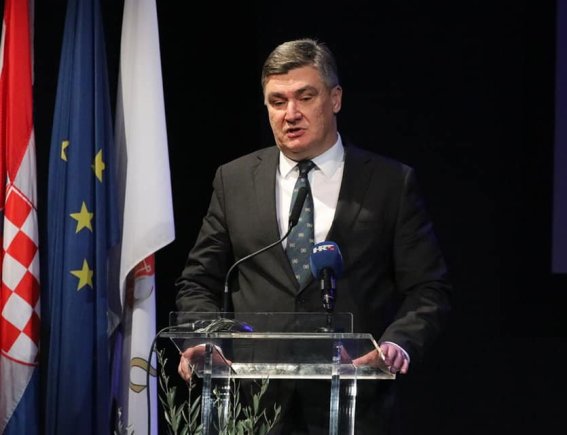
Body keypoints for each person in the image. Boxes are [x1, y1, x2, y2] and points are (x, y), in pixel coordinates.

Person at [174, 38, 452, 434]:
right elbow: (198, 281)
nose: (291, 114)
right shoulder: (234, 180)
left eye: (305, 97)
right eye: (277, 101)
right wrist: (205, 338)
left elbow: (428, 288)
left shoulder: (390, 183)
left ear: (335, 99)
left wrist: (397, 344)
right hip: (255, 405)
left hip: (353, 405)